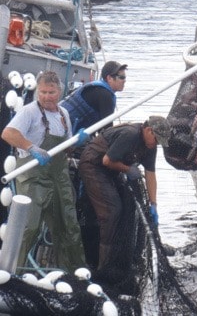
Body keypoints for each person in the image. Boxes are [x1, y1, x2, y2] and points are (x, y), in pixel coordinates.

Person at [1, 71, 86, 272]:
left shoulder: (64, 114)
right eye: (43, 92)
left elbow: (65, 148)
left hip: (58, 177)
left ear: (60, 91)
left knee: (68, 226)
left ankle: (74, 273)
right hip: (33, 177)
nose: (47, 96)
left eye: (51, 92)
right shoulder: (29, 112)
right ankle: (10, 272)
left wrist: (77, 142)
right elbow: (8, 133)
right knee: (29, 227)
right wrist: (31, 147)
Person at [78, 116, 169, 269]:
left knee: (124, 209)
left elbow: (150, 173)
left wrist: (154, 204)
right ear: (148, 130)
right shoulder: (130, 134)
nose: (157, 143)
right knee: (112, 210)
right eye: (157, 139)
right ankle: (103, 264)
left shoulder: (150, 145)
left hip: (110, 171)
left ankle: (116, 257)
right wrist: (128, 169)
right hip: (92, 165)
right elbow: (107, 160)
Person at [60, 60, 127, 135]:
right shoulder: (105, 95)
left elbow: (102, 127)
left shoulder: (96, 88)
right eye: (122, 77)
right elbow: (107, 130)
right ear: (109, 78)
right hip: (64, 131)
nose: (125, 80)